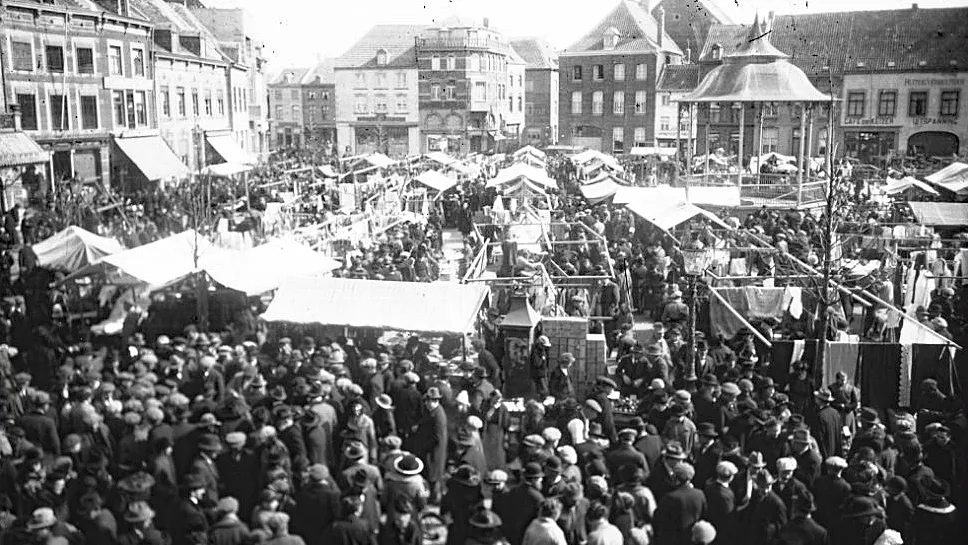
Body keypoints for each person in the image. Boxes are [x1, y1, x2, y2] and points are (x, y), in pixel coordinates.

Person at [653, 463, 707, 545]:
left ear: (675, 478)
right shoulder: (700, 494)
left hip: (676, 540)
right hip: (694, 538)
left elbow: (658, 518)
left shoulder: (670, 498)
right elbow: (704, 515)